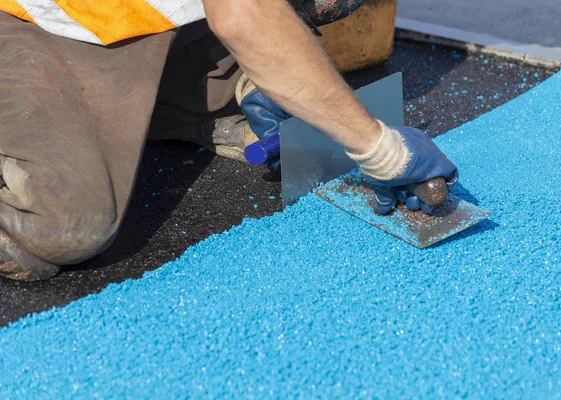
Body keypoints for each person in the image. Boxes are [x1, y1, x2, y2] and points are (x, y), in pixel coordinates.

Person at [0, 0, 457, 281]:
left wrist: (261, 76)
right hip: (38, 21)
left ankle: (217, 85)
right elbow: (242, 12)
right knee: (66, 225)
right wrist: (380, 149)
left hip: (139, 16)